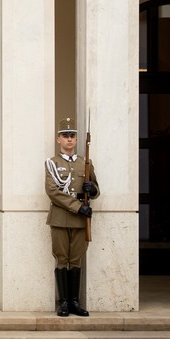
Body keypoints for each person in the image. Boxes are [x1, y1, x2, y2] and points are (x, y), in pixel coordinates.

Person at [45, 117, 100, 317]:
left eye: (72, 136)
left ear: (76, 140)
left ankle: (74, 302)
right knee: (62, 259)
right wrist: (78, 207)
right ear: (58, 139)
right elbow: (52, 192)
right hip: (60, 218)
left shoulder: (85, 163)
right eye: (65, 135)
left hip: (80, 221)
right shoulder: (52, 164)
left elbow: (96, 190)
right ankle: (63, 303)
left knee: (76, 260)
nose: (69, 139)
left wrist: (91, 189)